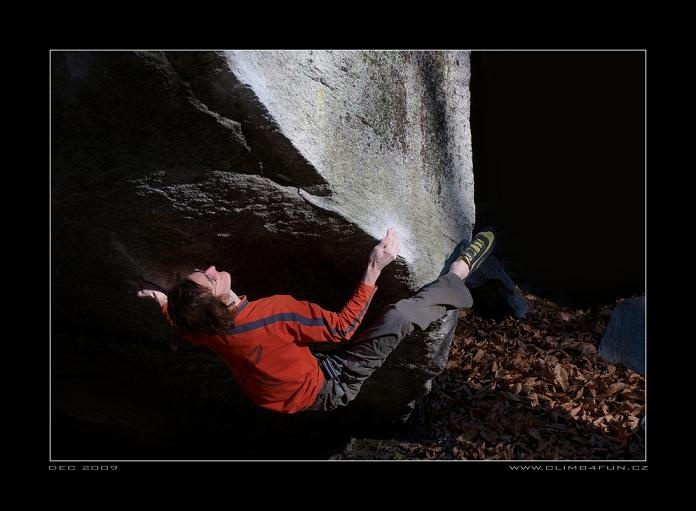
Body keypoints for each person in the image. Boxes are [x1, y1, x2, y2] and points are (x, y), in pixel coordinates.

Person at [137, 227, 496, 414]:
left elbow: (182, 326)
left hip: (288, 393)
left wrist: (163, 300)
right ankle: (458, 274)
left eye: (204, 270)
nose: (213, 268)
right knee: (399, 316)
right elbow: (342, 328)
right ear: (216, 303)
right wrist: (374, 267)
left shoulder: (206, 328)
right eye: (210, 278)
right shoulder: (271, 313)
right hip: (330, 385)